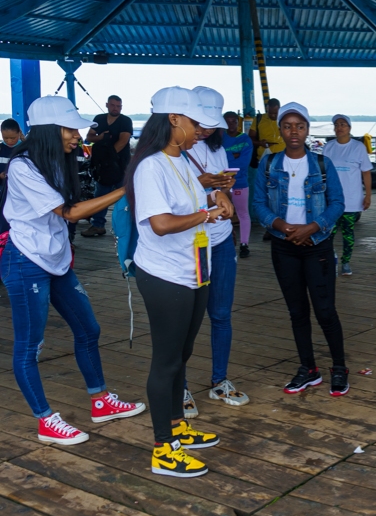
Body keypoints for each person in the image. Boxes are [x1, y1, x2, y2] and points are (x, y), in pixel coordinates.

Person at [3, 96, 145, 445]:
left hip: (57, 261)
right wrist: (124, 190)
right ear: (49, 130)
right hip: (26, 262)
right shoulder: (24, 167)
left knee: (88, 329)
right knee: (30, 346)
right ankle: (45, 420)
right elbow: (69, 213)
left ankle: (100, 400)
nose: (77, 135)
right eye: (70, 128)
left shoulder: (63, 160)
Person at [125, 86, 233, 477]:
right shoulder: (151, 166)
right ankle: (163, 450)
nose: (200, 130)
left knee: (181, 356)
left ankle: (176, 427)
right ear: (173, 120)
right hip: (164, 274)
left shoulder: (182, 160)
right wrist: (206, 217)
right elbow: (161, 223)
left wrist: (216, 199)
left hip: (193, 271)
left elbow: (192, 201)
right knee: (166, 362)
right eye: (194, 123)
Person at [253, 103, 349, 396]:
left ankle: (339, 367)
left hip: (316, 246)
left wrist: (313, 227)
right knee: (297, 311)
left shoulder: (322, 165)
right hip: (284, 247)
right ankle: (308, 368)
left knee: (325, 310)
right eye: (287, 126)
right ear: (280, 129)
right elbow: (258, 204)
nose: (294, 132)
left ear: (307, 130)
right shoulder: (269, 164)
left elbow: (337, 203)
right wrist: (282, 227)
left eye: (300, 126)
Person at [180, 88, 248, 418]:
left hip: (220, 240)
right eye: (200, 122)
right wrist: (203, 183)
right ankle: (178, 385)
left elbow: (222, 190)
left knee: (221, 314)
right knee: (187, 319)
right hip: (191, 243)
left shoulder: (217, 148)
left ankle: (220, 379)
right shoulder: (170, 153)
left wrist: (222, 188)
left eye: (211, 123)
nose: (205, 129)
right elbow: (167, 206)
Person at [323, 113, 371, 276]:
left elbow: (366, 172)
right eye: (336, 125)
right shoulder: (328, 147)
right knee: (329, 233)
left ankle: (346, 262)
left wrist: (368, 195)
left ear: (349, 128)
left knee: (348, 233)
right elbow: (322, 172)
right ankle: (331, 260)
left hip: (351, 199)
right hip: (332, 199)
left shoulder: (358, 147)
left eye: (343, 124)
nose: (339, 128)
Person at [82, 95, 133, 237]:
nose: (115, 108)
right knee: (100, 196)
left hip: (120, 165)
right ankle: (97, 225)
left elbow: (123, 140)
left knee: (126, 195)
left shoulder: (125, 121)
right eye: (113, 105)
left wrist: (109, 157)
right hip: (101, 166)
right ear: (107, 105)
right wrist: (101, 138)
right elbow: (89, 137)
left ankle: (130, 227)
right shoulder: (98, 119)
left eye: (118, 106)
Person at [222, 111, 253, 257]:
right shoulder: (220, 139)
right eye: (227, 121)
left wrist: (229, 159)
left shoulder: (245, 139)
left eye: (234, 121)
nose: (231, 124)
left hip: (240, 182)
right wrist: (234, 156)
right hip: (223, 183)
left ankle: (244, 244)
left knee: (242, 214)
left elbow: (243, 163)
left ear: (238, 122)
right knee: (222, 213)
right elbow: (220, 162)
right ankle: (225, 242)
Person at [248, 98, 282, 228]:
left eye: (275, 113)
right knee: (265, 193)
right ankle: (267, 223)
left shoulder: (284, 119)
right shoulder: (259, 119)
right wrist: (260, 143)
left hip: (283, 162)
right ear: (267, 109)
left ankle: (277, 222)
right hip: (265, 161)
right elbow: (250, 138)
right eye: (271, 113)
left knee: (280, 193)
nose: (273, 116)